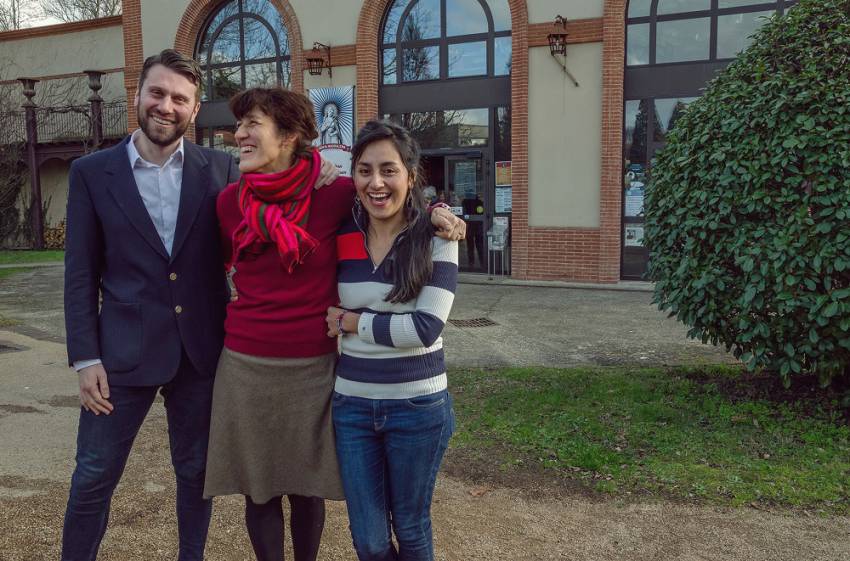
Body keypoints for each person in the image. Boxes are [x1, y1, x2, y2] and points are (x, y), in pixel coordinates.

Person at [61, 49, 337, 561]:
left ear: (193, 110)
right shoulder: (91, 173)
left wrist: (318, 170)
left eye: (180, 99)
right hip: (120, 356)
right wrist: (85, 357)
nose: (166, 106)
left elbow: (280, 187)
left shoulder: (224, 169)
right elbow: (79, 274)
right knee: (94, 474)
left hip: (202, 354)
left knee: (194, 474)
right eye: (157, 93)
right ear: (138, 95)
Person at [203, 88, 464, 561]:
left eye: (252, 123)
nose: (239, 133)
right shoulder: (228, 204)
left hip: (315, 367)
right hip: (246, 365)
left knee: (308, 487)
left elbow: (394, 204)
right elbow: (218, 266)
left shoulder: (335, 195)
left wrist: (438, 214)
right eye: (239, 124)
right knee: (258, 491)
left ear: (289, 135)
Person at [326, 120, 458, 561]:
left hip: (417, 407)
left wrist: (352, 322)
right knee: (369, 540)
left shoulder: (437, 236)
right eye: (364, 171)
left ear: (411, 175)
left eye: (389, 170)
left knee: (411, 527)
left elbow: (425, 329)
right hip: (352, 407)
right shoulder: (342, 233)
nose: (376, 183)